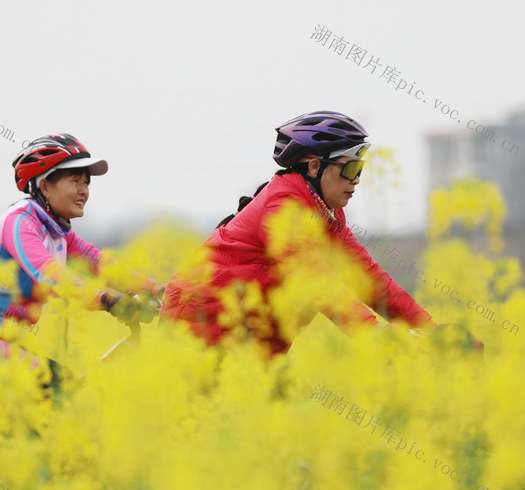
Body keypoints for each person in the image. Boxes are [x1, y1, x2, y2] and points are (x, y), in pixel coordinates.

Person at [161, 110, 469, 356]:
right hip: (201, 321)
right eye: (350, 169)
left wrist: (432, 330)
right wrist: (368, 331)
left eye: (360, 169)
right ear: (313, 167)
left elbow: (367, 278)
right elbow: (310, 276)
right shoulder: (283, 204)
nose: (357, 180)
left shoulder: (327, 215)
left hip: (249, 332)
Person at [0, 133, 163, 379]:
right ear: (45, 185)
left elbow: (101, 264)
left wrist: (158, 291)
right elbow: (50, 275)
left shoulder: (58, 231)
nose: (84, 191)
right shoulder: (19, 223)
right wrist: (109, 301)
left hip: (5, 338)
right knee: (58, 390)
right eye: (75, 181)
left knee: (67, 387)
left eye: (86, 183)